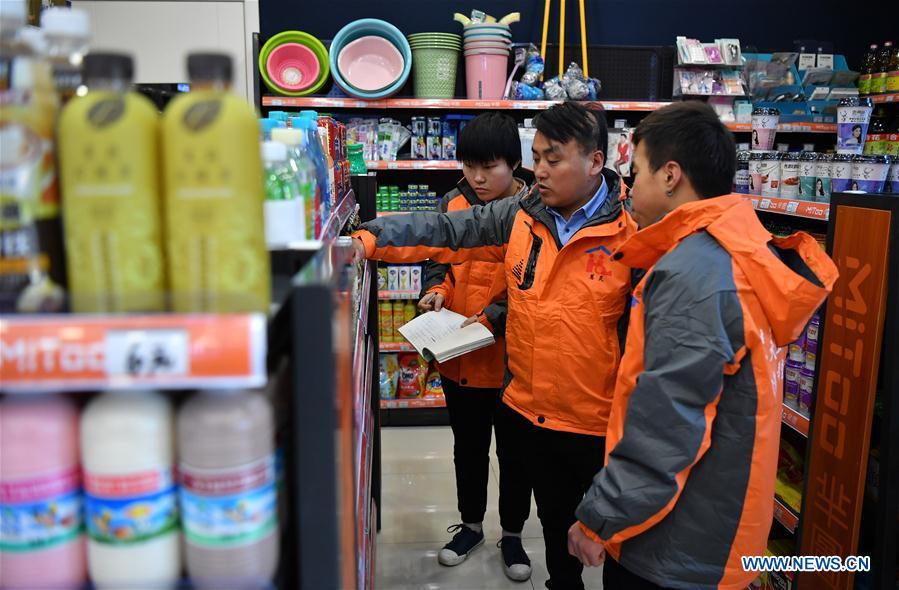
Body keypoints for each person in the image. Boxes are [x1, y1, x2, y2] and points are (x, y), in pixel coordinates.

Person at [353, 101, 636, 589]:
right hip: (532, 409)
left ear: (594, 161)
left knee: (619, 548)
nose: (540, 170)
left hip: (598, 424)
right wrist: (370, 238)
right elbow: (446, 232)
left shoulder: (635, 232)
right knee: (555, 535)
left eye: (554, 158)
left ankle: (520, 538)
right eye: (538, 156)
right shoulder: (522, 214)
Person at [567, 101, 838, 589]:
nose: (628, 188)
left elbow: (669, 422)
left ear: (670, 175)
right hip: (718, 524)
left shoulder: (696, 272)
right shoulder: (738, 247)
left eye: (636, 172)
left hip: (675, 545)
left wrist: (600, 519)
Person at [416, 113, 534, 581]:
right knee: (467, 447)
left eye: (490, 166)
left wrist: (490, 319)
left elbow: (525, 283)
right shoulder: (451, 203)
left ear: (514, 163)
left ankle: (512, 534)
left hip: (511, 361)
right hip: (458, 356)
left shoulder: (531, 210)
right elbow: (437, 261)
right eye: (469, 165)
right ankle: (469, 526)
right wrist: (436, 290)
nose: (478, 177)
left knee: (514, 452)